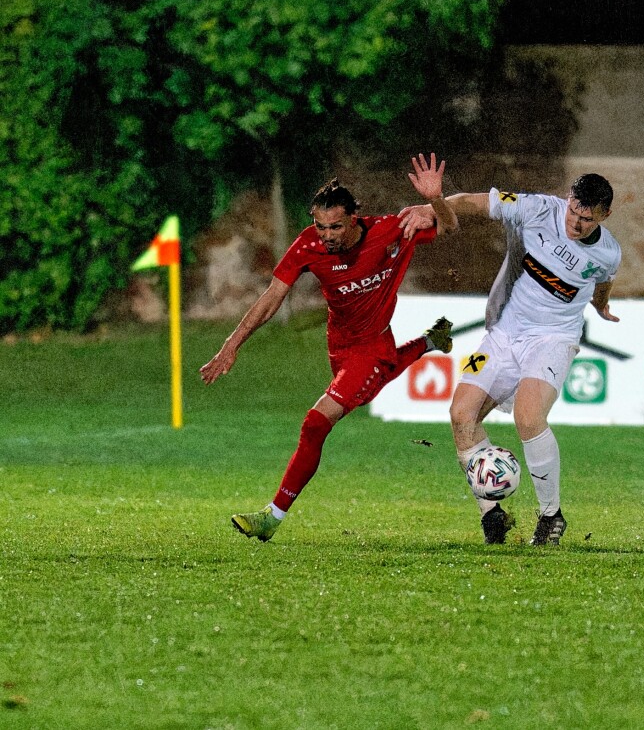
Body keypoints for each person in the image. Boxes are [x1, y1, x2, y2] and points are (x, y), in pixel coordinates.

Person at [201, 153, 457, 542]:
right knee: (373, 382)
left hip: (371, 345)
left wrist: (436, 200)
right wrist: (230, 345)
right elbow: (272, 297)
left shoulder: (393, 230)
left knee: (317, 422)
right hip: (338, 344)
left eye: (335, 227)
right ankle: (427, 341)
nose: (328, 235)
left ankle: (272, 516)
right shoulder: (308, 245)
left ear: (354, 218)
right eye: (321, 227)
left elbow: (450, 226)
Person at [400, 173, 621, 546]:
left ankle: (551, 516)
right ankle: (492, 516)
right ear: (567, 198)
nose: (576, 224)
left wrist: (600, 306)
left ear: (605, 215)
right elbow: (476, 201)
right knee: (461, 415)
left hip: (554, 339)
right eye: (573, 212)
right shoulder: (536, 209)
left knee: (529, 416)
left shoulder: (608, 252)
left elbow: (603, 280)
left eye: (588, 219)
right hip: (502, 334)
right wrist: (432, 204)